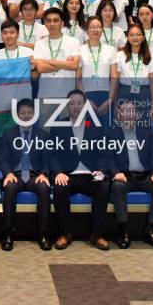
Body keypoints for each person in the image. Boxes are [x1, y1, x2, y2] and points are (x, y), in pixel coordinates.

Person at [48, 89, 111, 251]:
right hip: (67, 174)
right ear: (67, 106)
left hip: (90, 175)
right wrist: (58, 172)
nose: (76, 106)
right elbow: (52, 154)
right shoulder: (59, 126)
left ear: (85, 105)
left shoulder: (95, 125)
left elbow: (103, 154)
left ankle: (97, 235)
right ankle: (65, 234)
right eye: (72, 104)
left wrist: (100, 170)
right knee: (59, 188)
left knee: (103, 187)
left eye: (79, 103)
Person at [109, 101, 153, 249]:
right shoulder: (112, 134)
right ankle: (123, 231)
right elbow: (109, 158)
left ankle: (152, 231)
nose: (129, 114)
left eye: (132, 111)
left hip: (145, 176)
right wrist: (116, 173)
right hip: (125, 176)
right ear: (119, 115)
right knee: (117, 186)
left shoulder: (146, 132)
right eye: (125, 111)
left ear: (137, 116)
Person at [0, 98, 52, 251]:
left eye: (30, 112)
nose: (26, 115)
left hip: (35, 175)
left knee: (44, 188)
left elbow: (47, 160)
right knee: (9, 188)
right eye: (23, 113)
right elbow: (3, 159)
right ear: (17, 115)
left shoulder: (43, 135)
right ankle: (8, 232)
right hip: (15, 174)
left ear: (35, 114)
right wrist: (8, 174)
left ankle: (42, 233)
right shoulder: (9, 134)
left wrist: (44, 174)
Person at [33, 7, 82, 118]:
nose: (52, 24)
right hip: (45, 95)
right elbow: (40, 68)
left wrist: (49, 62)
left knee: (66, 129)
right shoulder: (39, 44)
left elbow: (74, 65)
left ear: (62, 23)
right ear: (45, 24)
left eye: (56, 20)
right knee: (44, 129)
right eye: (48, 21)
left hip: (67, 96)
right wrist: (65, 63)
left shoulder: (73, 42)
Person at [76, 15, 118, 127]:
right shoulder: (79, 50)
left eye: (98, 27)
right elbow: (78, 78)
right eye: (92, 27)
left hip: (106, 95)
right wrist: (85, 100)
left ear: (102, 29)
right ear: (87, 30)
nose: (95, 30)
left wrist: (110, 100)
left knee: (106, 131)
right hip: (86, 95)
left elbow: (114, 76)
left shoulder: (110, 50)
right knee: (88, 131)